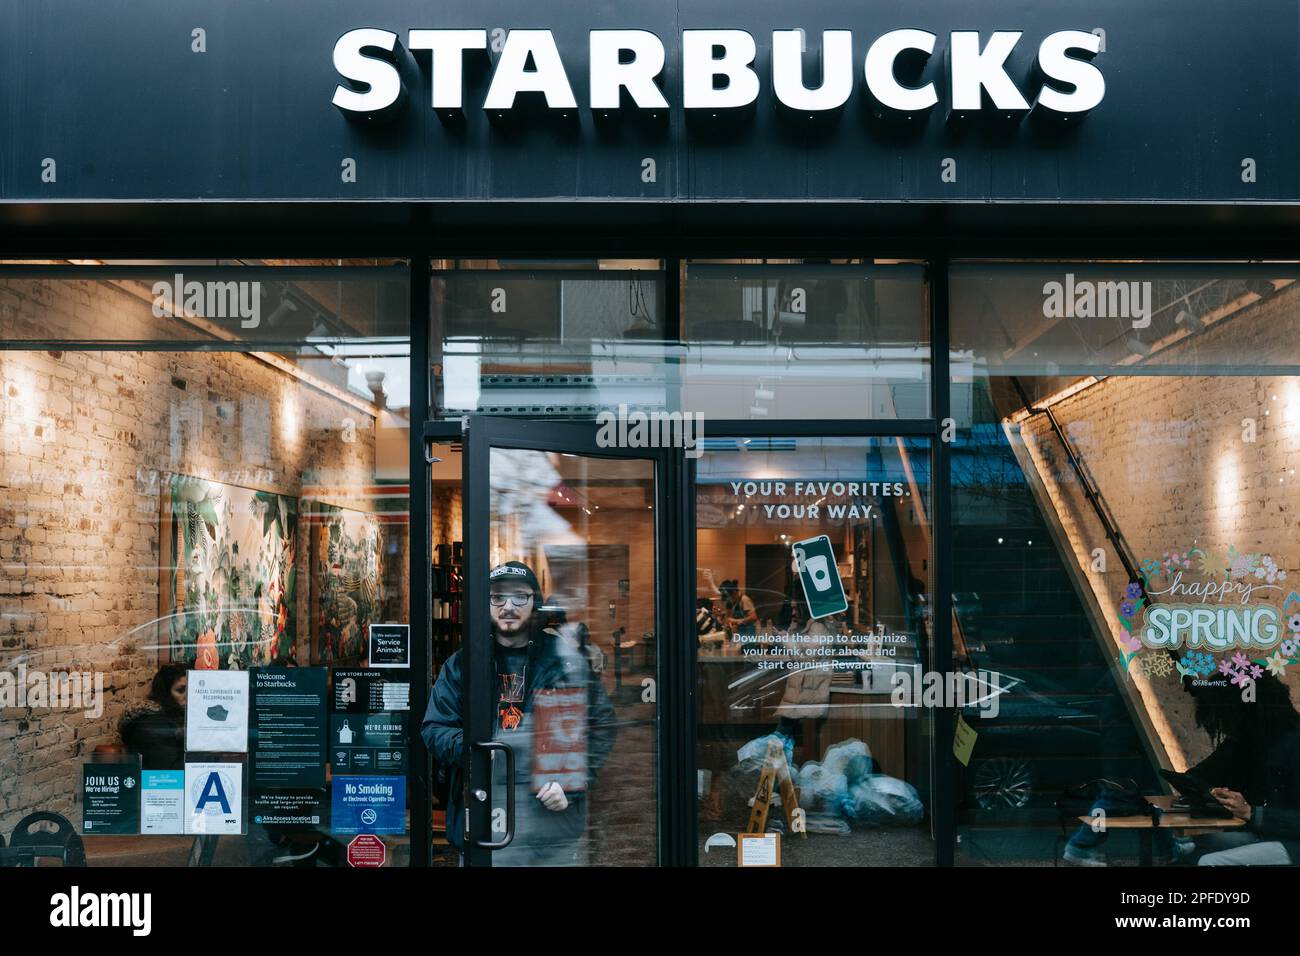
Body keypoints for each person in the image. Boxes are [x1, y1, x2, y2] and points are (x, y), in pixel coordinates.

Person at [421, 561, 617, 865]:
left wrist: (573, 782)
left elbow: (601, 724)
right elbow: (435, 728)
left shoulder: (562, 659)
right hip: (485, 808)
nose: (508, 606)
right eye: (497, 597)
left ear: (534, 602)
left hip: (551, 817)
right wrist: (481, 750)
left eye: (519, 597)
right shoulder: (463, 664)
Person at [120, 664, 187, 770]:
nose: (188, 696)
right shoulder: (154, 725)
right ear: (165, 694)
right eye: (181, 690)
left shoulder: (177, 718)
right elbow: (166, 771)